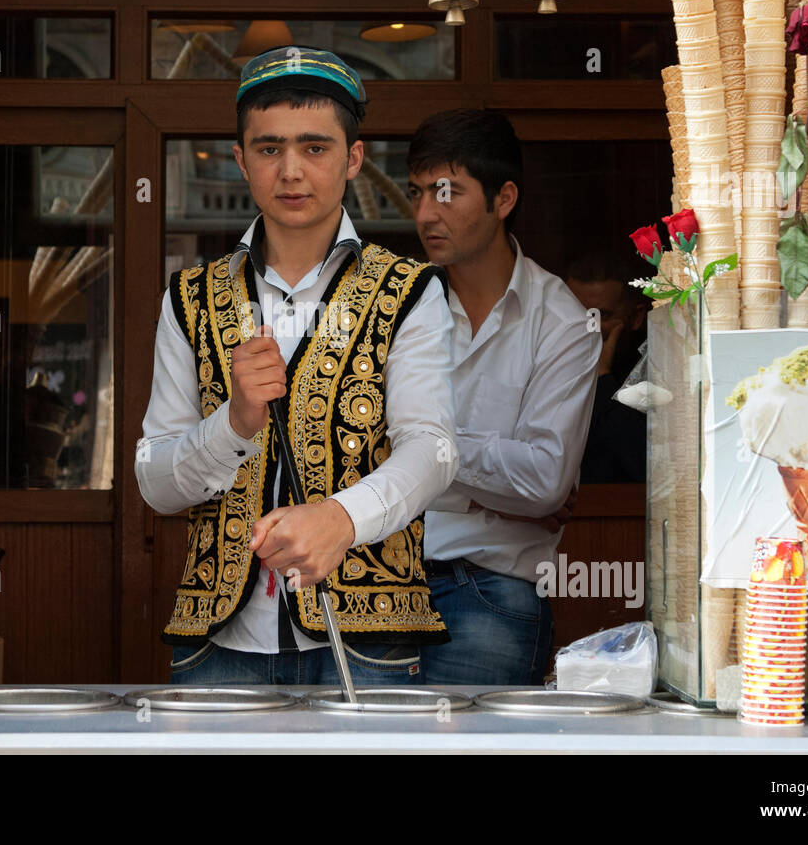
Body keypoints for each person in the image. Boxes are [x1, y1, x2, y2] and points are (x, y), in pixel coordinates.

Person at [135, 47, 458, 686]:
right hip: (219, 643)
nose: (291, 171)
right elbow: (155, 481)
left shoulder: (410, 290)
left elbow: (433, 449)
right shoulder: (190, 297)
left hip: (368, 642)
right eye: (268, 148)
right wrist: (234, 423)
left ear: (353, 159)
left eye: (315, 148)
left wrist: (343, 517)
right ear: (240, 160)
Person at [407, 108, 601, 686]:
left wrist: (419, 452)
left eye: (447, 193)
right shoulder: (395, 309)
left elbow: (542, 480)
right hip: (375, 581)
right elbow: (352, 445)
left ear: (504, 198)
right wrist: (490, 486)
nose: (425, 214)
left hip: (489, 591)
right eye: (417, 193)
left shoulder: (562, 321)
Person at [565, 250, 650, 484]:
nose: (589, 327)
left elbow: (645, 464)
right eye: (577, 314)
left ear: (636, 317)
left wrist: (602, 377)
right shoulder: (546, 363)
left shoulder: (653, 370)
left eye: (601, 315)